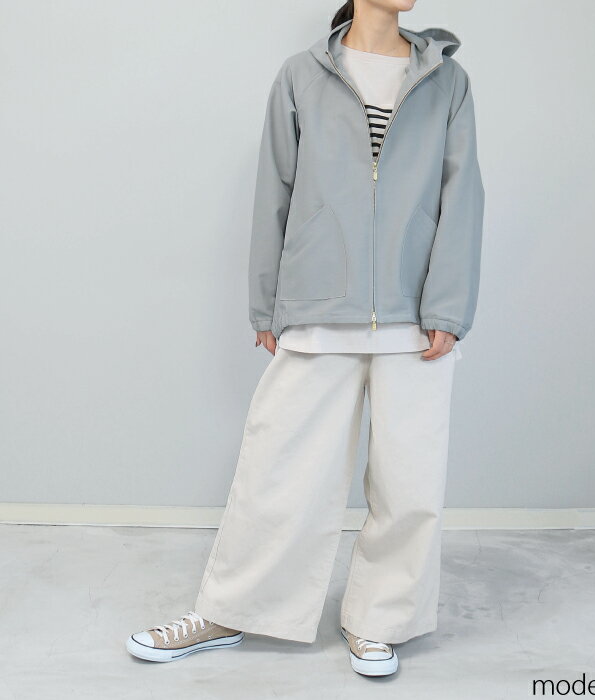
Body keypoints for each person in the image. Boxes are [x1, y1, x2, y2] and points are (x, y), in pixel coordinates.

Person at [126, 0, 484, 678]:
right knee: (279, 471)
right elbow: (276, 188)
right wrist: (266, 301)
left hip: (415, 315)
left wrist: (448, 305)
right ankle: (231, 610)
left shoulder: (447, 80)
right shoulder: (302, 75)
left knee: (409, 485)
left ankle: (381, 620)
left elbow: (461, 194)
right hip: (320, 301)